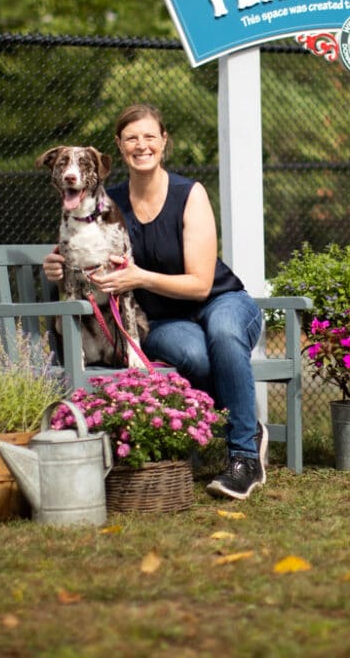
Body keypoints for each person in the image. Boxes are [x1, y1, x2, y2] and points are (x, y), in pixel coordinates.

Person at [41, 103, 268, 500]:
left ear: (164, 142)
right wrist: (56, 266)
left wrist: (140, 276)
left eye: (150, 137)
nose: (141, 145)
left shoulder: (189, 193)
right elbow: (74, 246)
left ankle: (243, 456)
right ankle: (246, 420)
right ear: (119, 147)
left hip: (218, 300)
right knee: (194, 356)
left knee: (224, 333)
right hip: (163, 319)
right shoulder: (104, 201)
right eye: (131, 138)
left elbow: (199, 285)